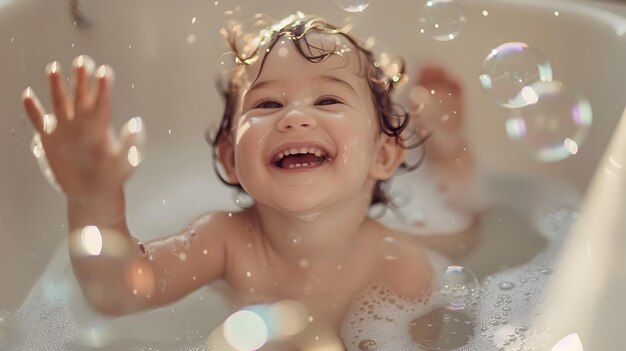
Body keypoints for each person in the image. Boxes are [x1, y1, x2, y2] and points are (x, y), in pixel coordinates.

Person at [21, 12, 478, 350]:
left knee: (464, 230)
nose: (295, 117)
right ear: (231, 158)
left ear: (382, 155)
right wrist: (93, 195)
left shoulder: (399, 266)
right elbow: (120, 290)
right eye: (266, 105)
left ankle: (447, 149)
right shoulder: (224, 240)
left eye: (326, 98)